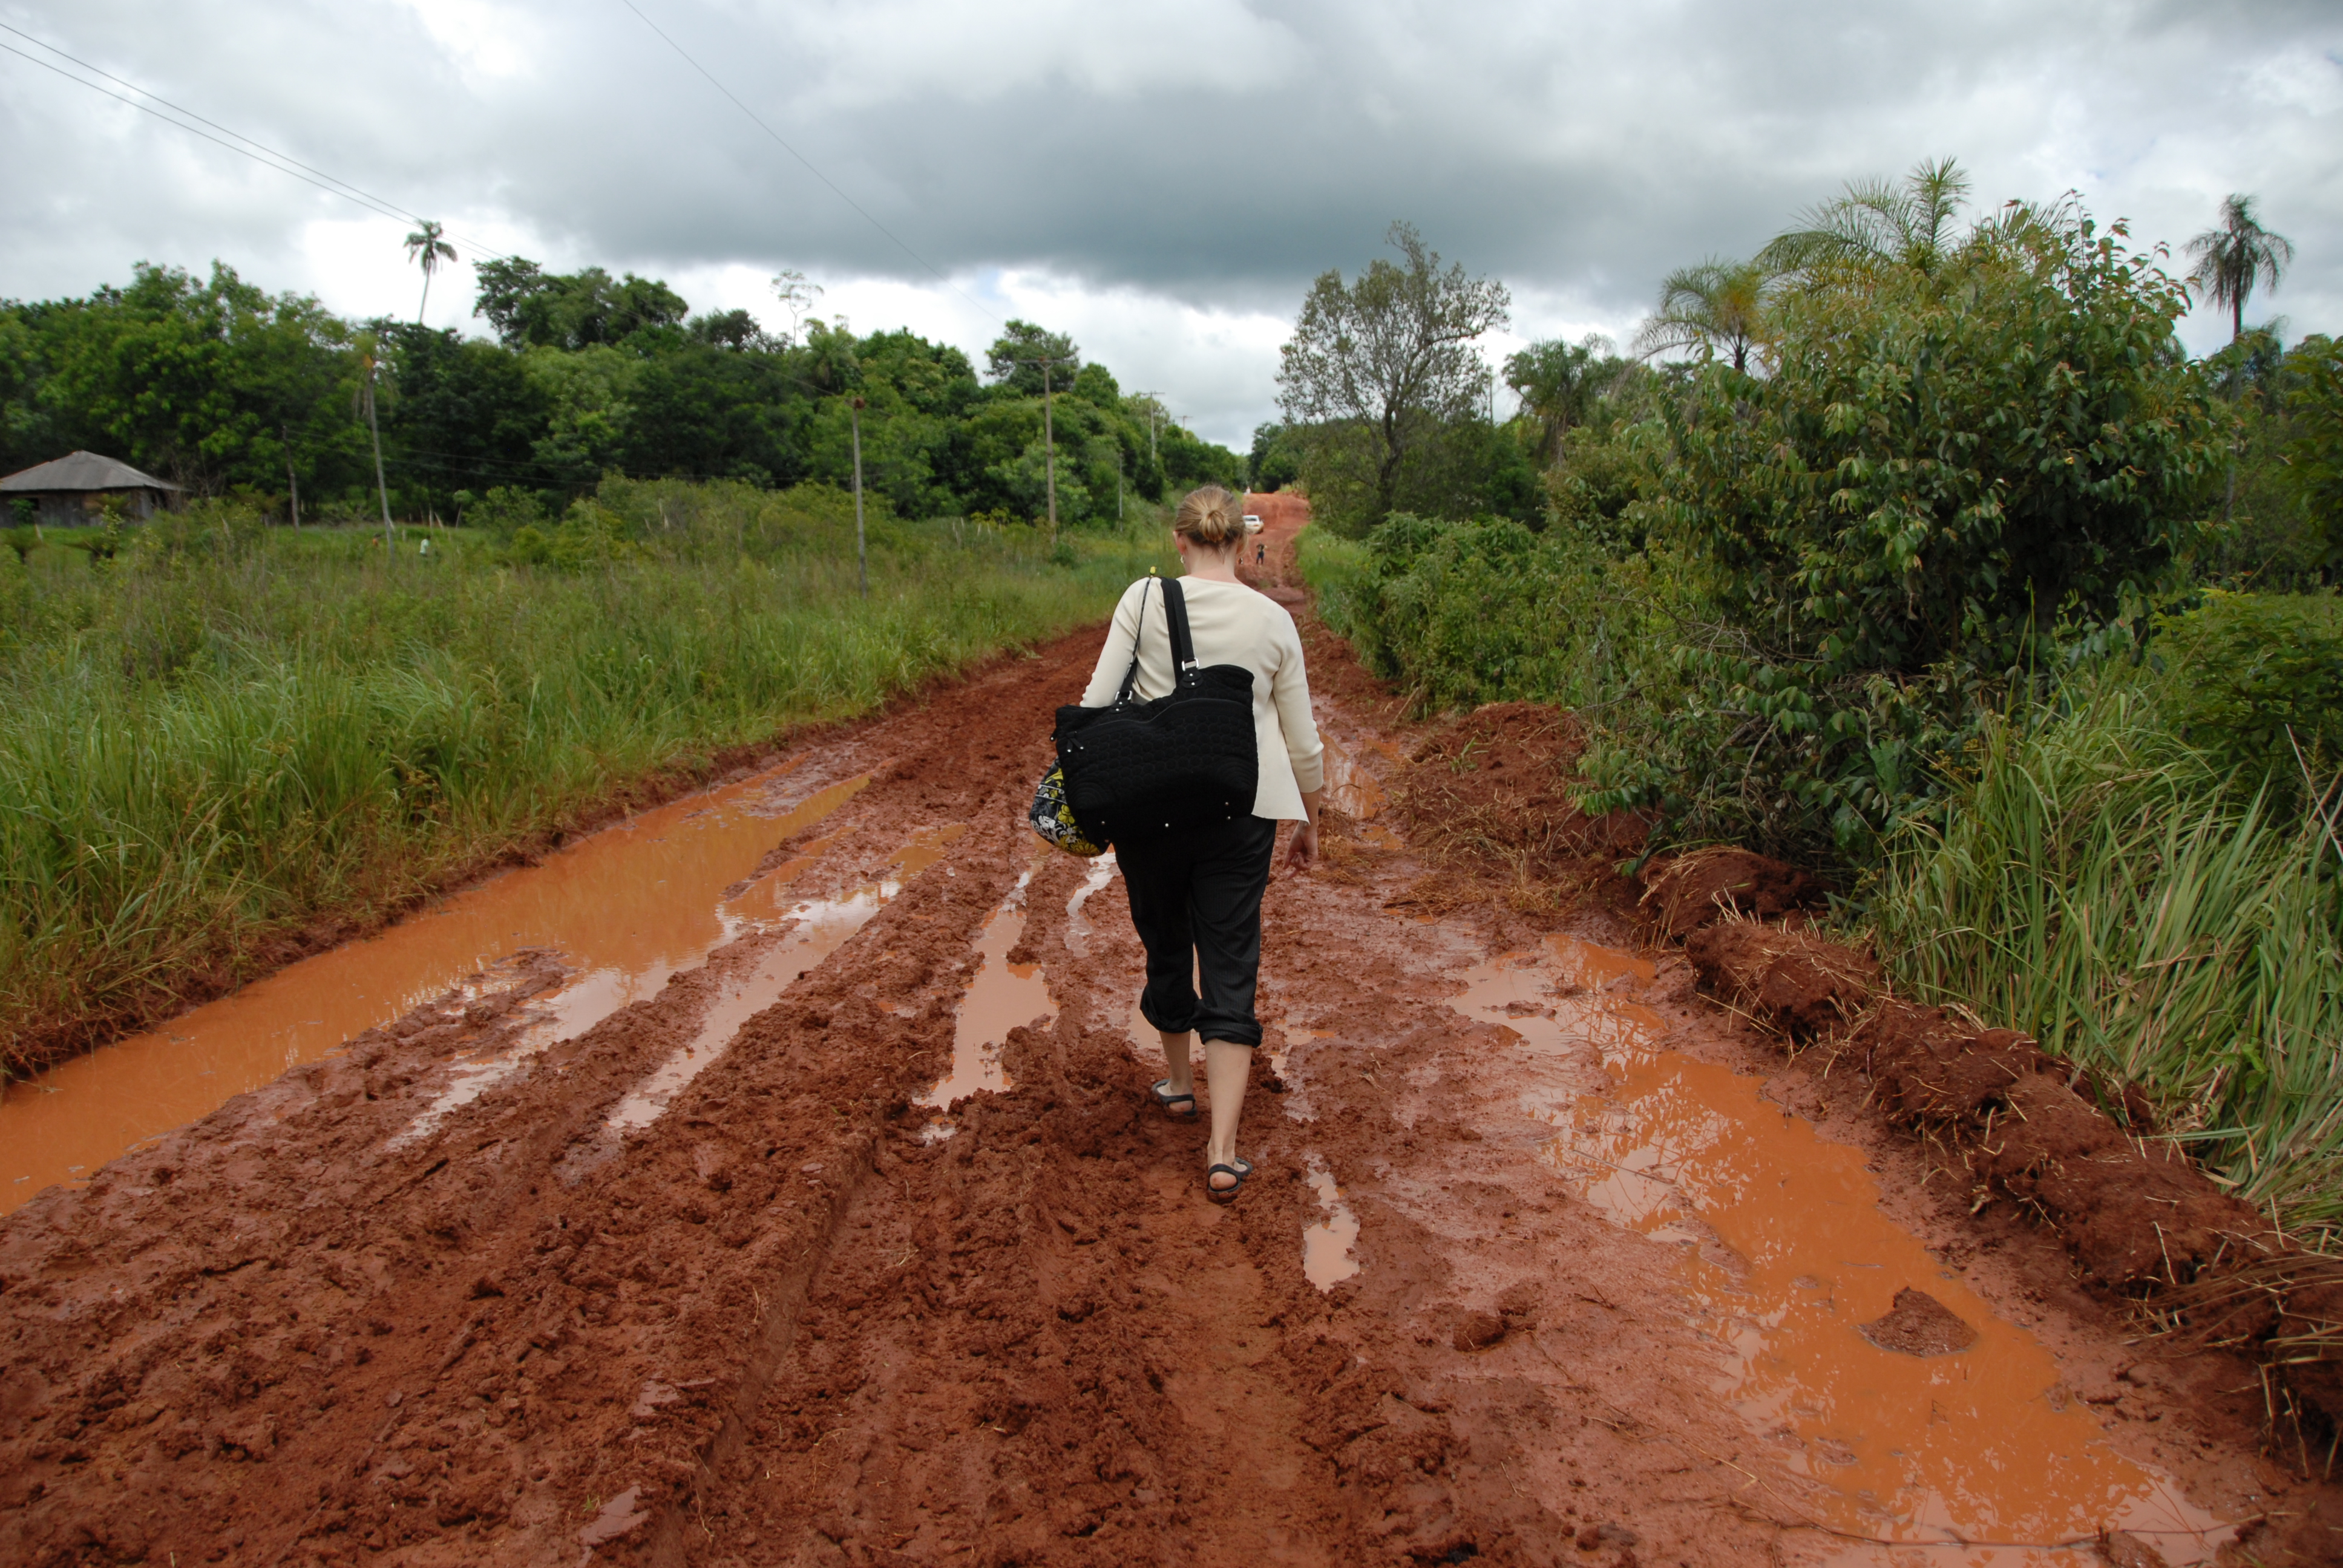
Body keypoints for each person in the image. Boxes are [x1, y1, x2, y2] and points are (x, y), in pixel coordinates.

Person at [1077, 484, 1322, 1201]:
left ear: (1179, 542)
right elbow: (1303, 745)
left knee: (1164, 940)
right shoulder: (1273, 619)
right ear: (1245, 546)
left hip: (1149, 808)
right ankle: (1222, 1150)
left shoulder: (1144, 599)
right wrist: (1309, 820)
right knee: (1229, 956)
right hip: (1240, 813)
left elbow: (1095, 704)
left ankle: (1179, 1085)